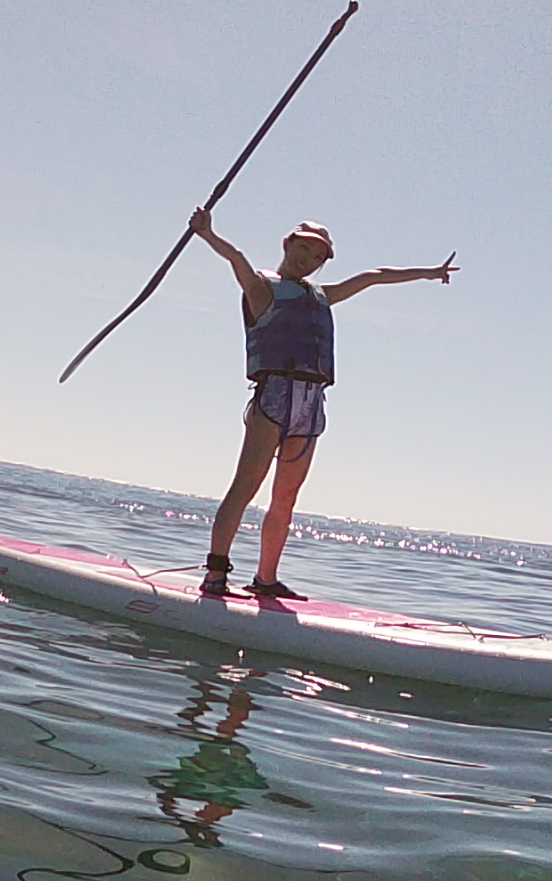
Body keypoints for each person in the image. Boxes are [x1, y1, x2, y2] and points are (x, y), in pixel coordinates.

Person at [186, 208, 456, 601]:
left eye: (317, 256)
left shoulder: (321, 296)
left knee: (286, 498)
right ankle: (215, 575)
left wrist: (430, 273)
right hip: (274, 396)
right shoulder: (262, 287)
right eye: (304, 248)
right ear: (288, 244)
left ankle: (265, 579)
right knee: (245, 487)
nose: (308, 259)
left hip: (311, 405)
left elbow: (374, 277)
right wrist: (207, 234)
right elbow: (237, 259)